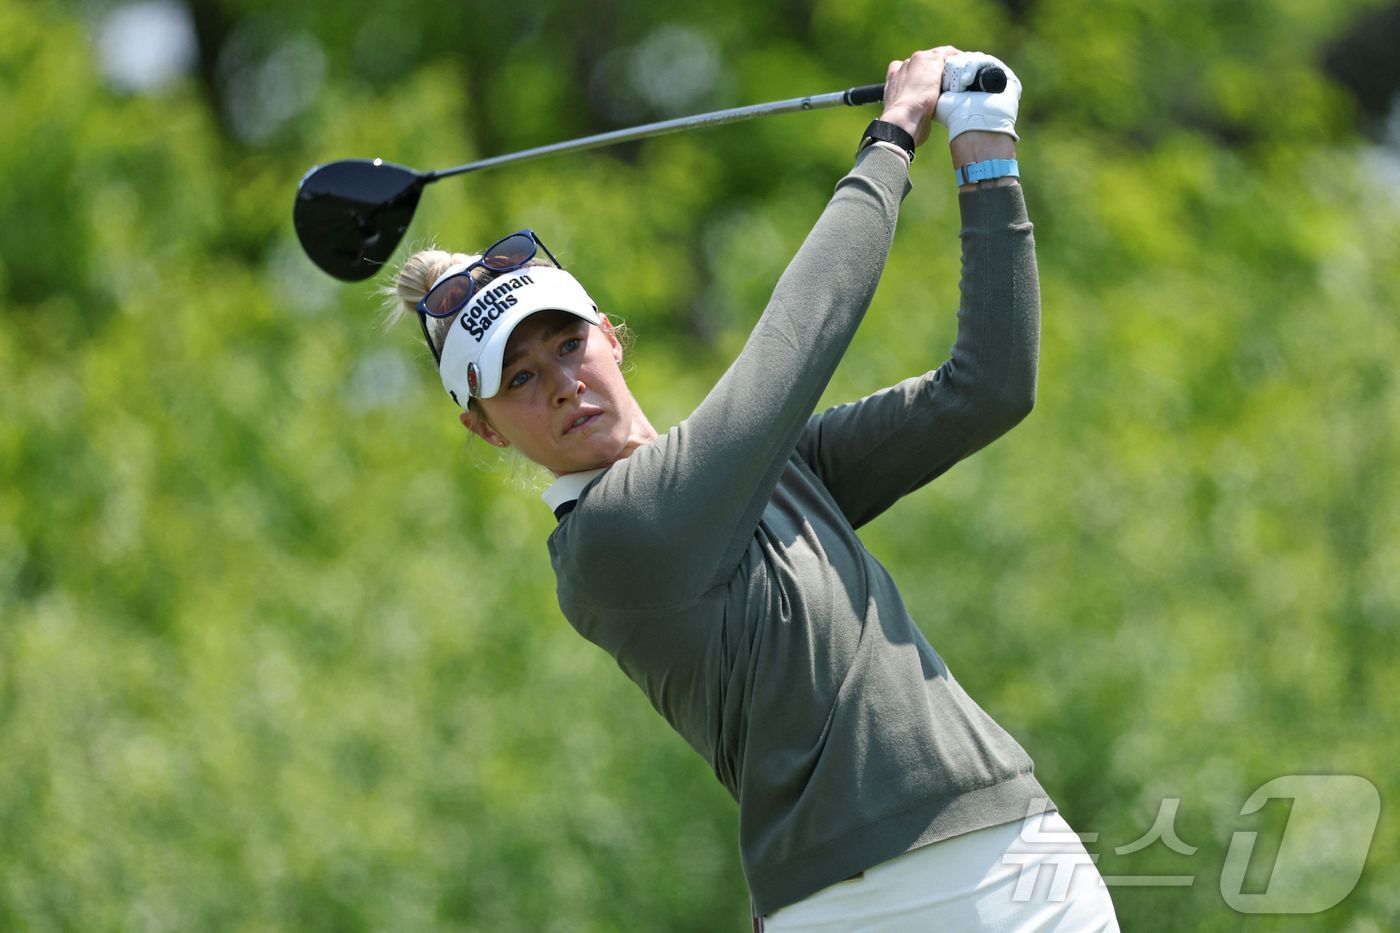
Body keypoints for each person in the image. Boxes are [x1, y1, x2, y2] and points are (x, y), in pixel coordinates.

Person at [388, 46, 1120, 932]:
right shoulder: (612, 541)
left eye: (567, 345)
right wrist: (892, 138)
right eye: (518, 378)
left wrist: (985, 151)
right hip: (872, 905)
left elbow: (990, 386)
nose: (560, 384)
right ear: (484, 425)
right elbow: (800, 335)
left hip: (1023, 857)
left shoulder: (772, 473)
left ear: (611, 338)